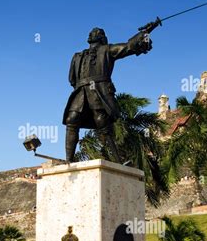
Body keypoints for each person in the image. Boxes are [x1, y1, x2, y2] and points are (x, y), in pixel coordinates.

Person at [63, 26, 155, 163]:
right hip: (80, 91)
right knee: (71, 120)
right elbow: (71, 79)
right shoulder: (77, 56)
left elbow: (128, 46)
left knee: (102, 122)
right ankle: (68, 161)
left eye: (97, 33)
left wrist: (145, 32)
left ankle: (117, 162)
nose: (93, 34)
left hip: (99, 91)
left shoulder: (107, 50)